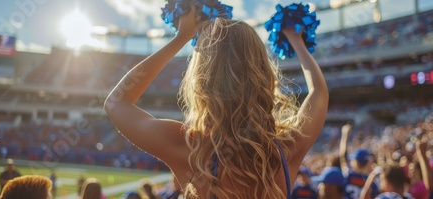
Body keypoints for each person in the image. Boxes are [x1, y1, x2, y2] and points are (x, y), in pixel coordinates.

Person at [104, 4, 328, 198]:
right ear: (264, 73)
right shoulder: (288, 148)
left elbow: (116, 102)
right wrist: (296, 40)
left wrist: (181, 37)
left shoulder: (190, 148)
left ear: (202, 78)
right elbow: (318, 92)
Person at [339, 125, 379, 199]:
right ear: (368, 163)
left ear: (355, 162)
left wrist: (345, 135)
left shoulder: (348, 175)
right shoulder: (372, 182)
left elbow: (343, 155)